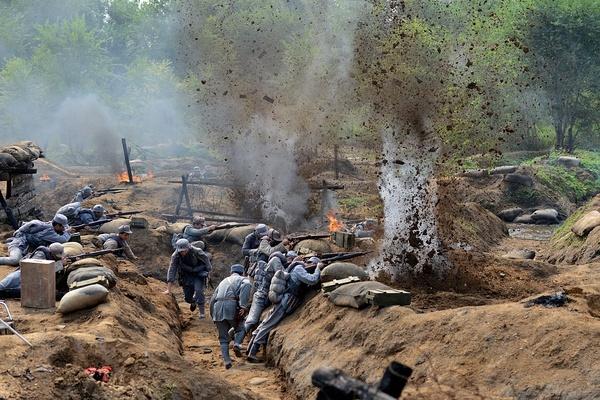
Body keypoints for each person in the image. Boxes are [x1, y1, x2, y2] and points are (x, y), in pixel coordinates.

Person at [247, 256, 321, 363]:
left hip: (283, 300)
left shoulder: (295, 267)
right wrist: (318, 268)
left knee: (265, 323)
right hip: (285, 301)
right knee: (268, 325)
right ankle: (252, 353)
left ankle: (250, 349)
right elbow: (312, 280)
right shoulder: (299, 269)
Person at [234, 251, 297, 350]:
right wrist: (295, 263)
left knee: (251, 320)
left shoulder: (273, 261)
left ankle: (233, 334)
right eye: (289, 258)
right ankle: (237, 343)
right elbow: (283, 274)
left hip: (263, 297)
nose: (289, 259)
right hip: (261, 297)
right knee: (252, 321)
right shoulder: (275, 260)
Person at [209, 264, 252, 369]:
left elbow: (212, 300)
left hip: (217, 309)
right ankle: (237, 344)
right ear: (242, 272)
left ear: (231, 272)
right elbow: (246, 287)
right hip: (231, 306)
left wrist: (213, 315)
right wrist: (243, 306)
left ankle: (227, 362)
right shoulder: (244, 280)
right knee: (241, 328)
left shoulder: (223, 281)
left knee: (223, 338)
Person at [164, 238, 212, 319]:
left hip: (198, 273)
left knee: (198, 291)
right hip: (186, 275)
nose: (183, 252)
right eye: (181, 251)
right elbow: (172, 269)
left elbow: (207, 261)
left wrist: (209, 273)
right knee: (188, 298)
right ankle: (193, 302)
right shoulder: (175, 256)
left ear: (189, 247)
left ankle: (202, 313)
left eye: (184, 250)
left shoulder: (197, 251)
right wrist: (168, 289)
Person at [0, 214, 70, 266]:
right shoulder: (49, 231)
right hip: (19, 245)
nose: (64, 229)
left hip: (25, 248)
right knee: (15, 260)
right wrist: (68, 232)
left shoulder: (48, 226)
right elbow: (63, 239)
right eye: (63, 227)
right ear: (57, 225)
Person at [0, 243, 65, 298]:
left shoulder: (56, 257)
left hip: (34, 283)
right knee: (2, 286)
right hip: (22, 275)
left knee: (21, 293)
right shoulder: (40, 254)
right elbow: (34, 270)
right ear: (51, 252)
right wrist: (60, 265)